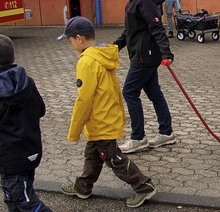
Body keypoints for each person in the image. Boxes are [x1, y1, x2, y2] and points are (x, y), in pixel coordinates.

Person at [59, 16, 157, 208]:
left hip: (100, 120)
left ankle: (144, 186)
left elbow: (84, 100)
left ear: (79, 38)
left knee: (114, 158)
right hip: (107, 116)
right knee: (93, 155)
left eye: (70, 40)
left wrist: (74, 130)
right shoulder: (102, 56)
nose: (71, 45)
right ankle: (83, 187)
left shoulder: (86, 63)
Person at [0, 34, 51, 212]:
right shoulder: (27, 82)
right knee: (16, 196)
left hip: (9, 158)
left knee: (23, 199)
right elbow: (41, 109)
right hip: (31, 150)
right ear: (12, 57)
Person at [113, 0, 177, 153]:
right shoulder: (133, 0)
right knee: (154, 93)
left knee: (129, 92)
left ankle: (138, 137)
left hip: (144, 57)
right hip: (142, 54)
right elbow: (129, 31)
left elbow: (156, 27)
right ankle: (166, 133)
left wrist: (166, 53)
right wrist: (114, 47)